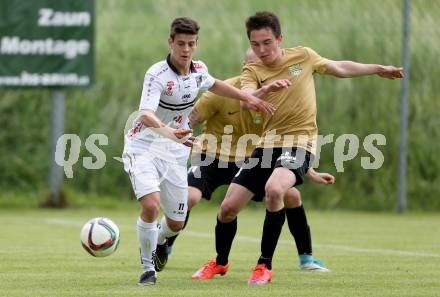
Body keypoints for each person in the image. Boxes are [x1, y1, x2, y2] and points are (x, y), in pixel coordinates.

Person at [193, 11, 403, 285]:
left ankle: (264, 266)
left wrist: (377, 68)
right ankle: (220, 263)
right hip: (266, 145)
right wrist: (266, 90)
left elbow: (339, 67)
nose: (261, 50)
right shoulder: (252, 69)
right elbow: (246, 100)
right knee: (228, 208)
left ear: (280, 39)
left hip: (299, 142)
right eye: (255, 44)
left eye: (267, 42)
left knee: (276, 190)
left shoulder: (303, 56)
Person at [122, 17, 275, 286]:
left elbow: (215, 84)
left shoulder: (198, 70)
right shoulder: (156, 75)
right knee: (150, 204)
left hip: (175, 151)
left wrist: (248, 97)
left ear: (196, 44)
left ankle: (157, 241)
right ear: (170, 42)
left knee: (176, 223)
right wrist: (171, 134)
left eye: (191, 44)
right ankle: (148, 269)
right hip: (143, 145)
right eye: (180, 43)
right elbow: (145, 115)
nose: (185, 49)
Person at [158, 50, 334, 271]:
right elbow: (188, 121)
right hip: (211, 157)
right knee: (189, 197)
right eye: (253, 65)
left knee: (289, 195)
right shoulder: (220, 93)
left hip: (251, 159)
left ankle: (306, 259)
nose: (260, 69)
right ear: (245, 68)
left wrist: (310, 171)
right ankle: (165, 244)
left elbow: (285, 144)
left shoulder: (277, 98)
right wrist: (169, 140)